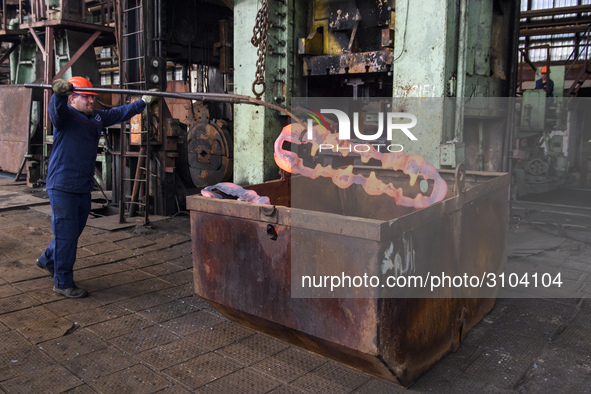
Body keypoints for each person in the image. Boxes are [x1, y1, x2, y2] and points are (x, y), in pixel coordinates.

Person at [35, 76, 156, 298]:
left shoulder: (97, 117)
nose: (91, 102)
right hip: (62, 186)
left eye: (93, 97)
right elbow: (56, 109)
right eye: (86, 98)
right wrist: (58, 93)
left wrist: (144, 102)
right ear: (72, 99)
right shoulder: (65, 117)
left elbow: (120, 113)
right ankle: (62, 283)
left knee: (72, 231)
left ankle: (47, 259)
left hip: (82, 186)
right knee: (67, 234)